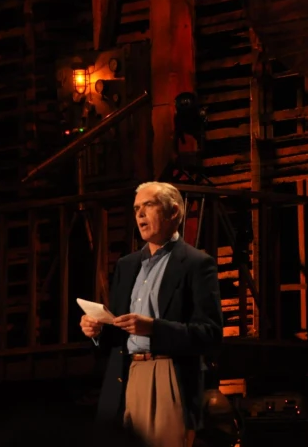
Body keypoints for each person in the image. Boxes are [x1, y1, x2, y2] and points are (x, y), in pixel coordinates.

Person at [80, 182, 223, 447]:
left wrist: (155, 328)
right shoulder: (127, 265)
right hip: (126, 374)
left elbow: (210, 334)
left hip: (168, 371)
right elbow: (120, 331)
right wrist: (98, 331)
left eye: (149, 206)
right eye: (136, 208)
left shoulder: (196, 263)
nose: (140, 214)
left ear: (174, 213)